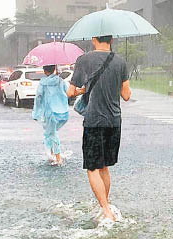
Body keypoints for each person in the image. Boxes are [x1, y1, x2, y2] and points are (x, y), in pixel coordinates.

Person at [67, 35, 131, 222]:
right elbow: (126, 95)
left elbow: (70, 91)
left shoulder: (84, 60)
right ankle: (106, 204)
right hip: (114, 121)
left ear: (94, 38)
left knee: (92, 167)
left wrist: (83, 90)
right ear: (111, 39)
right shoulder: (120, 61)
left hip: (94, 121)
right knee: (104, 167)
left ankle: (105, 210)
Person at [32, 65, 69, 166]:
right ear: (54, 69)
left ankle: (57, 158)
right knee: (51, 132)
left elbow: (38, 97)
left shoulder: (43, 83)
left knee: (51, 133)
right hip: (63, 112)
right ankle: (53, 154)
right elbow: (69, 92)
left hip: (50, 112)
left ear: (44, 71)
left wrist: (36, 113)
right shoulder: (61, 81)